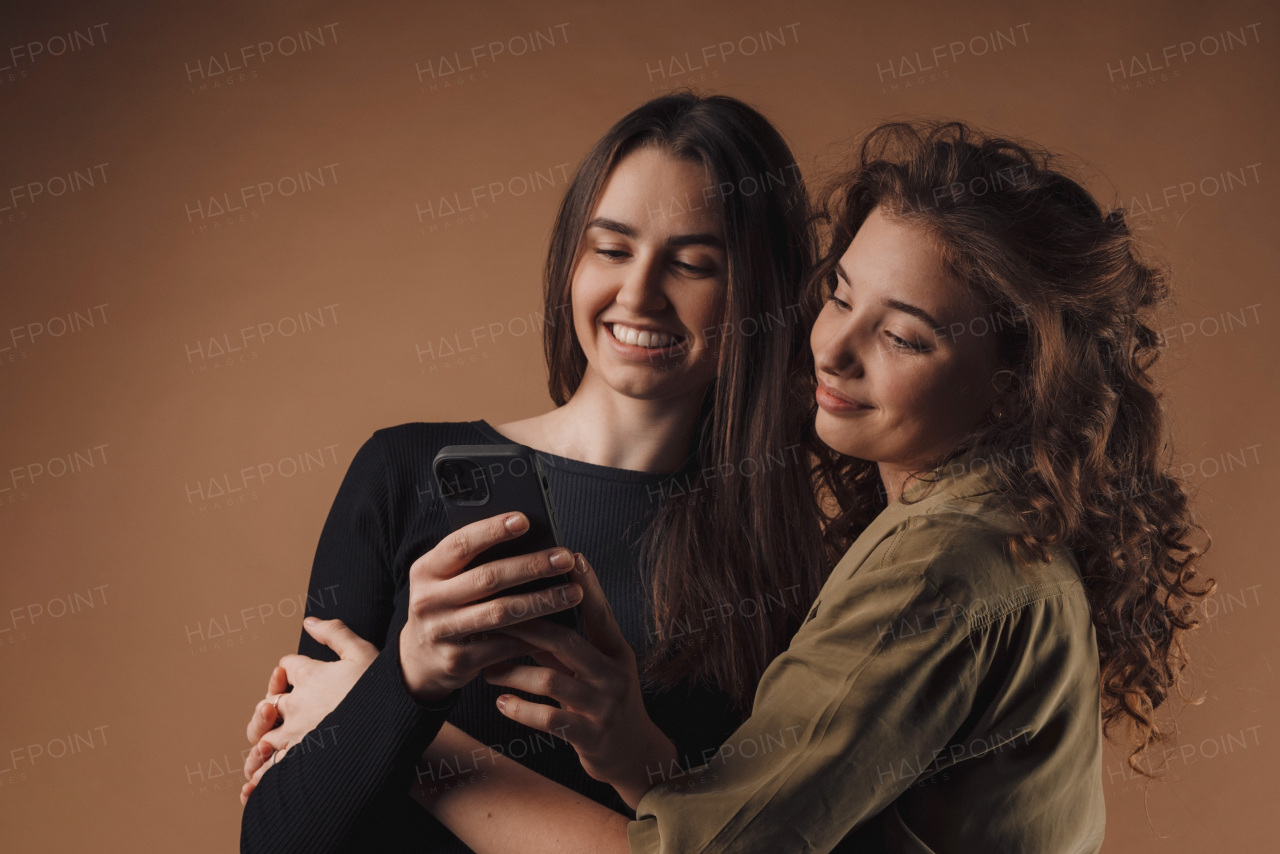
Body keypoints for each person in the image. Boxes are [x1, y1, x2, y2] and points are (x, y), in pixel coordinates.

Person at [387, 120, 1214, 852]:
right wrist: (639, 753)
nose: (834, 349)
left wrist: (413, 745)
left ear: (1011, 385)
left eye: (900, 336)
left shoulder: (941, 571)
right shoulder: (979, 534)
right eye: (839, 297)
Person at [237, 92, 832, 854]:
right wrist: (410, 675)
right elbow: (276, 842)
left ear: (760, 292)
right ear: (571, 260)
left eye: (693, 264)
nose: (639, 293)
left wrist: (386, 712)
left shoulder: (784, 564)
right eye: (611, 249)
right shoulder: (399, 471)